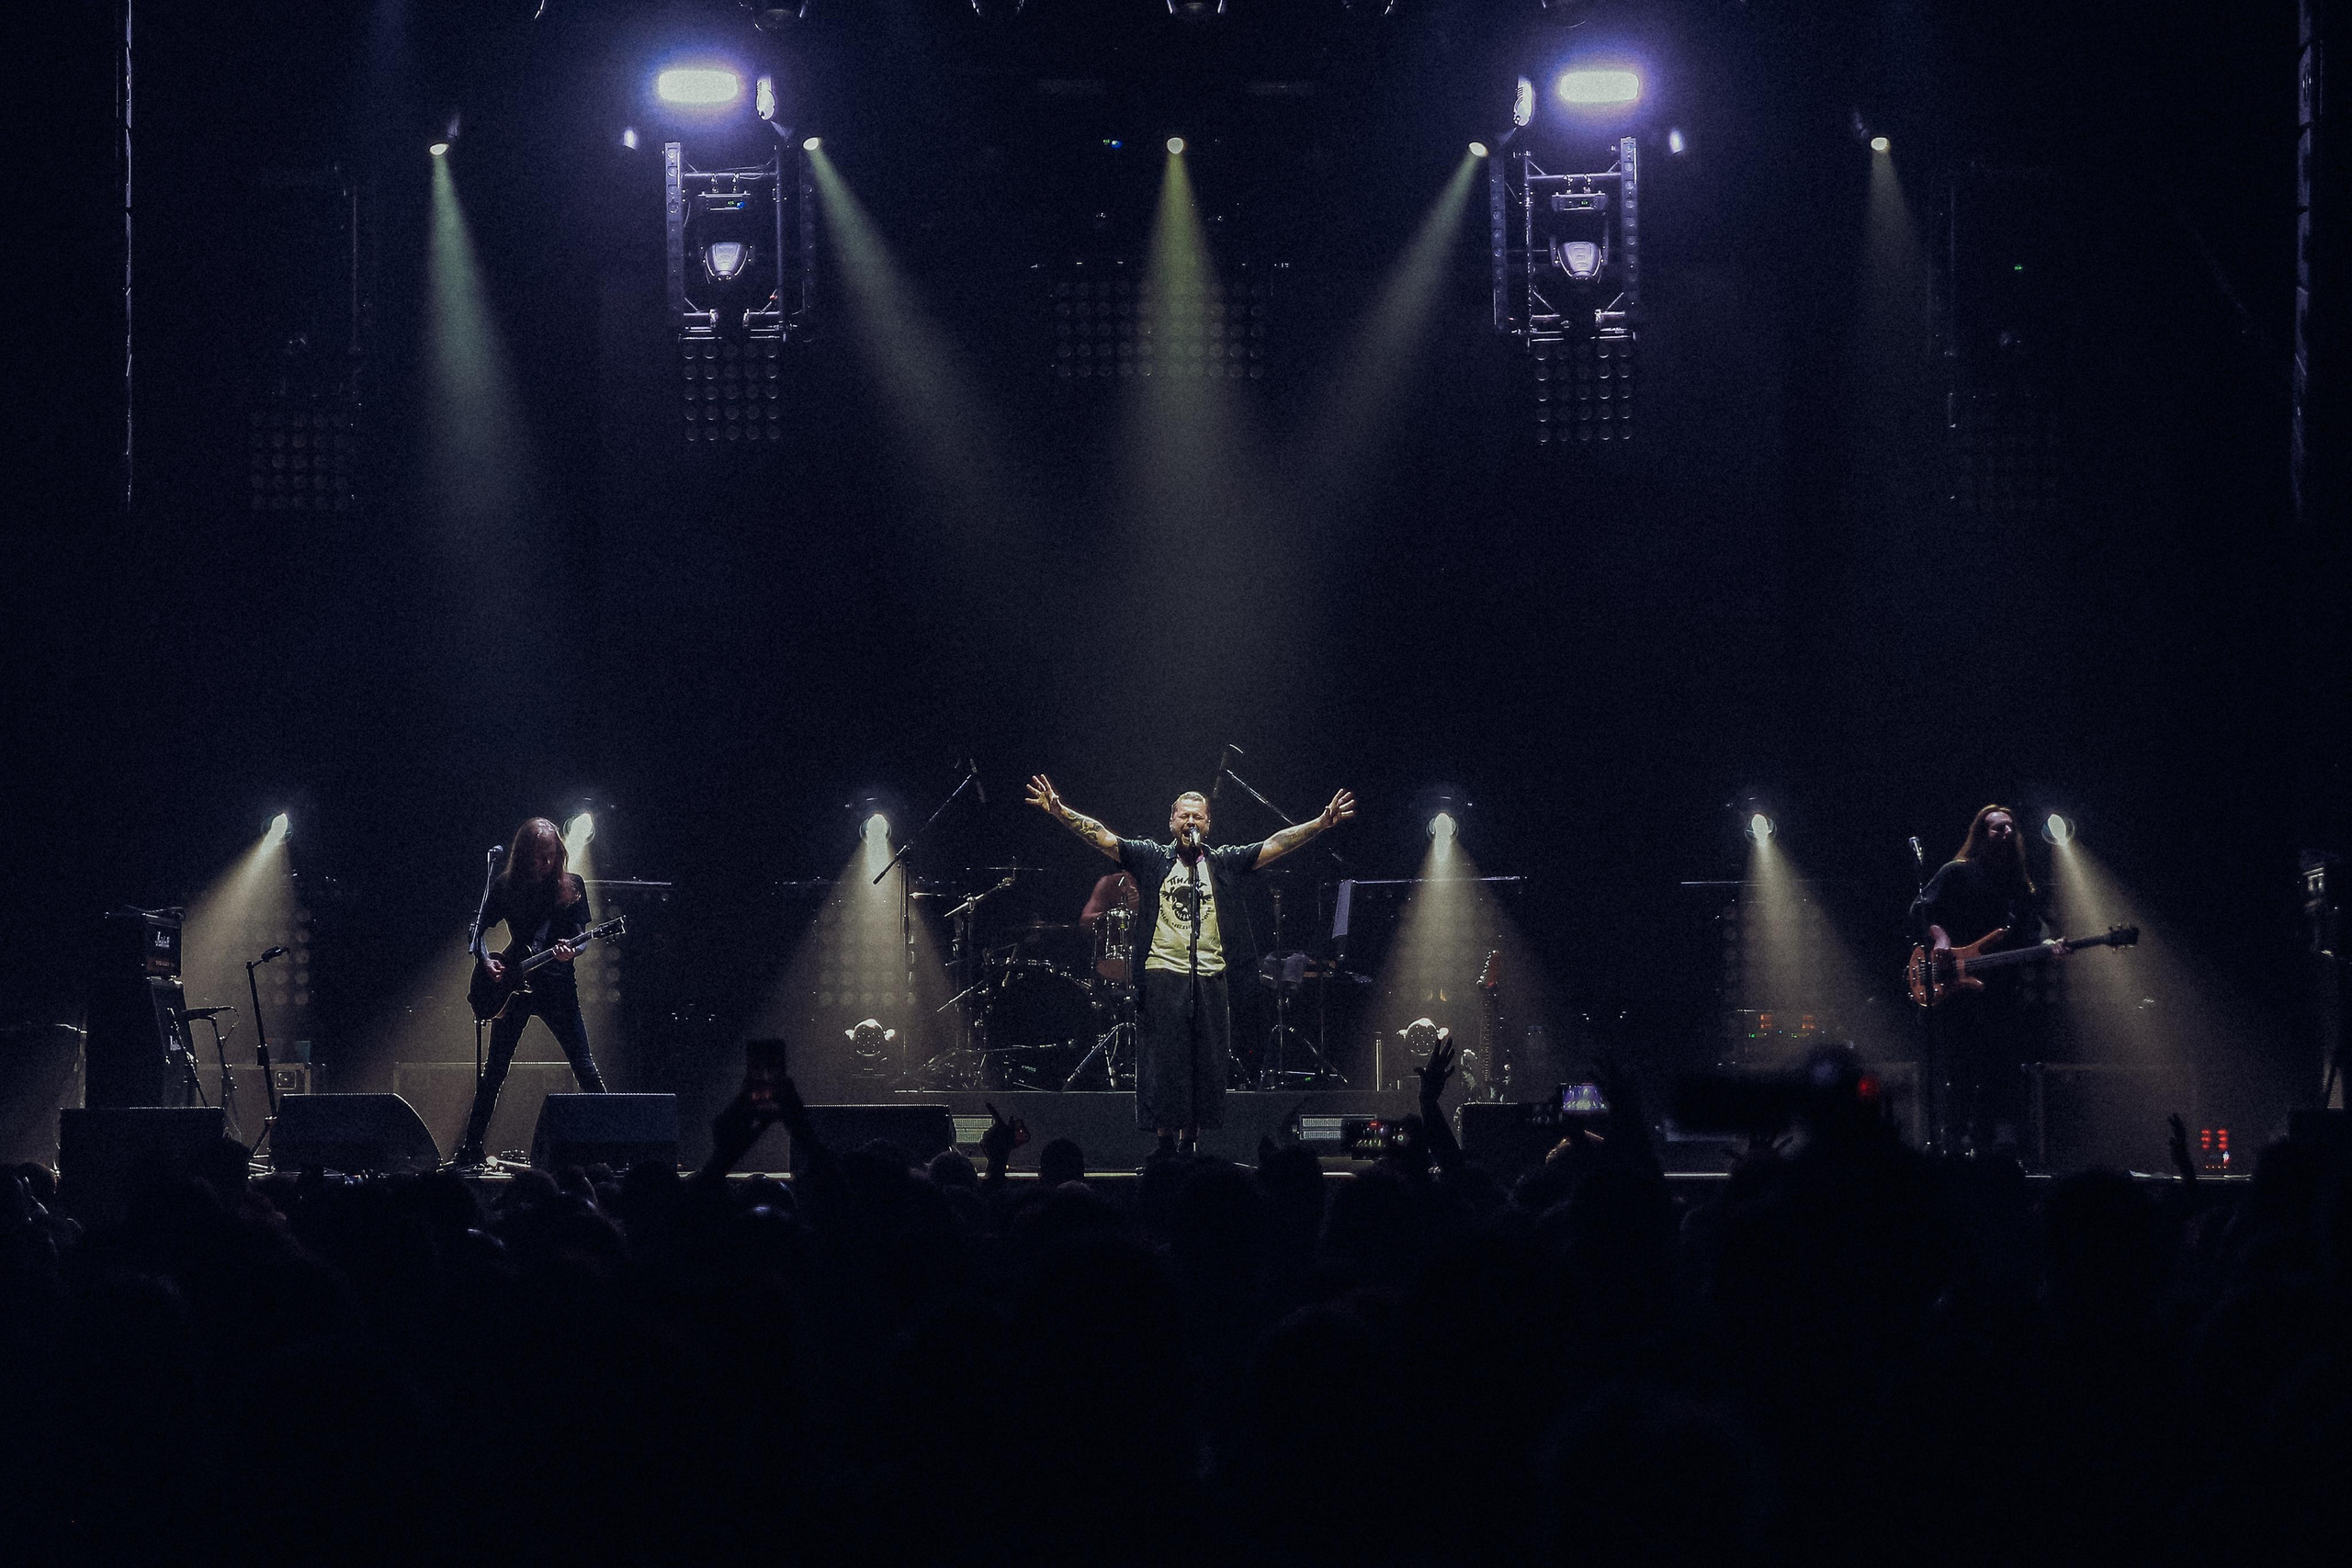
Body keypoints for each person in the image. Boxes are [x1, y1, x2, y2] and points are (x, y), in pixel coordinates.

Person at [1026, 775, 1354, 1153]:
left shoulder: (1224, 862)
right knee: (1164, 1062)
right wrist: (1059, 811)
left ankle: (1190, 1142)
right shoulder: (1151, 858)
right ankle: (1164, 1143)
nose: (1191, 822)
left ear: (1208, 824)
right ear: (1172, 821)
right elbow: (1102, 836)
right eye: (1184, 816)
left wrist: (1321, 822)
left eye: (1198, 816)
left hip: (1210, 975)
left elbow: (1275, 844)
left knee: (1205, 1062)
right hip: (1163, 973)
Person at [453, 818, 608, 1168]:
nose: (545, 863)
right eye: (538, 857)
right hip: (514, 988)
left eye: (551, 856)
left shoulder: (572, 885)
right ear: (524, 855)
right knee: (494, 1071)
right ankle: (471, 1146)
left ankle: (613, 1137)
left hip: (558, 987)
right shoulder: (506, 885)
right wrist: (485, 960)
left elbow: (581, 938)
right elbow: (477, 931)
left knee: (584, 1066)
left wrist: (574, 951)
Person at [1909, 804, 2064, 1154]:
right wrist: (1942, 939)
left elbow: (2030, 930)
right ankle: (1952, 1146)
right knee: (1962, 1073)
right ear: (1982, 835)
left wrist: (2048, 945)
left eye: (2011, 828)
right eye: (1998, 828)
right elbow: (1921, 910)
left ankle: (1989, 1150)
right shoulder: (1957, 873)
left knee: (2000, 1075)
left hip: (2001, 994)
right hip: (1958, 994)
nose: (2007, 833)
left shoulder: (2019, 887)